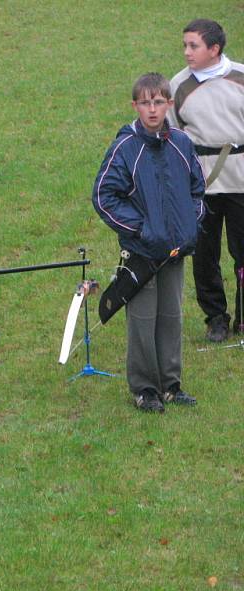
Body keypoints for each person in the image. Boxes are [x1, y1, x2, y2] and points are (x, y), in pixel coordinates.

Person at [93, 73, 205, 413]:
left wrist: (188, 226)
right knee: (142, 319)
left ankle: (171, 384)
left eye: (159, 102)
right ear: (135, 106)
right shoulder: (125, 148)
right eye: (145, 103)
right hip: (141, 252)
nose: (152, 109)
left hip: (174, 252)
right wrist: (142, 230)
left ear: (169, 104)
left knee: (171, 315)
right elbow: (103, 196)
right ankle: (145, 389)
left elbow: (197, 190)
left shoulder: (182, 144)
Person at [169, 19, 244, 342]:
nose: (186, 52)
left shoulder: (241, 77)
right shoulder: (178, 86)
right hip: (202, 185)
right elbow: (173, 135)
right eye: (185, 45)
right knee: (204, 254)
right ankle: (215, 317)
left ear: (214, 49)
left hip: (241, 180)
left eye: (193, 46)